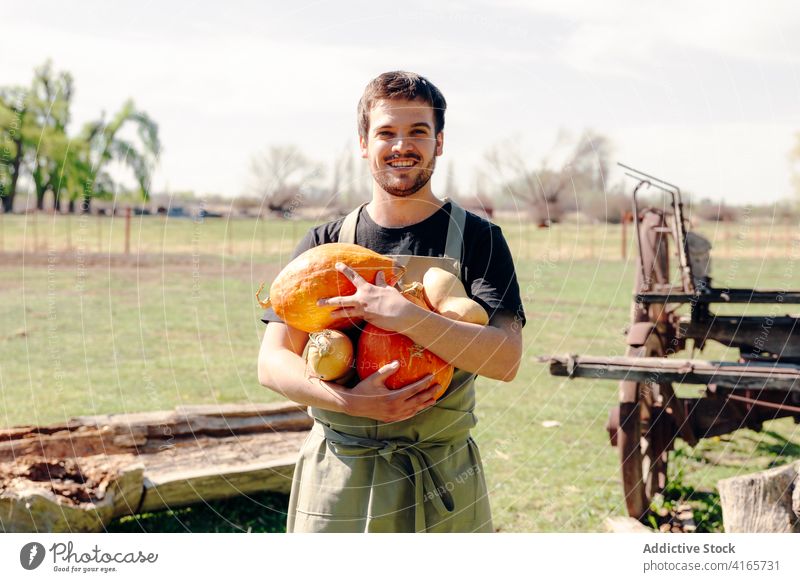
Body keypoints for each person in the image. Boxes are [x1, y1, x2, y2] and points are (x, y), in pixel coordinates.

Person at [258, 71, 525, 533]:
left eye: (418, 131)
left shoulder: (479, 240)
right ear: (363, 143)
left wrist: (407, 316)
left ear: (439, 142)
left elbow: (505, 359)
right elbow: (272, 362)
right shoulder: (326, 243)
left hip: (441, 473)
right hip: (340, 473)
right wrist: (349, 401)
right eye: (386, 132)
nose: (402, 145)